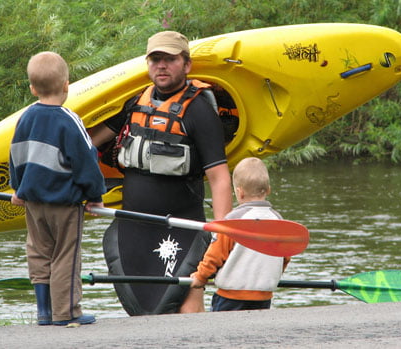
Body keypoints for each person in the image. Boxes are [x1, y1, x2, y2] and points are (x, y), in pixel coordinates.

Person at [89, 31, 232, 314]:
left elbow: (219, 177)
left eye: (170, 59)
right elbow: (88, 143)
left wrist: (221, 234)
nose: (162, 66)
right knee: (143, 312)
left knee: (187, 301)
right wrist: (89, 188)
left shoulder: (199, 111)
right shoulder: (133, 104)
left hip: (182, 229)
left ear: (187, 65)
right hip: (134, 229)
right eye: (155, 59)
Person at [9, 51, 106, 326]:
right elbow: (86, 161)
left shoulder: (25, 118)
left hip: (33, 203)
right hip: (65, 204)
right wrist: (95, 196)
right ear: (66, 85)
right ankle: (67, 313)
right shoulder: (69, 120)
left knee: (39, 251)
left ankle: (44, 312)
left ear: (32, 88)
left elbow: (15, 154)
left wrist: (18, 187)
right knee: (66, 255)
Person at [190, 157, 291, 311]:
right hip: (263, 296)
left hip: (230, 297)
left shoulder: (233, 220)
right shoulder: (279, 221)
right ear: (268, 190)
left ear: (239, 192)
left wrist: (200, 277)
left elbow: (215, 254)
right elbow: (285, 257)